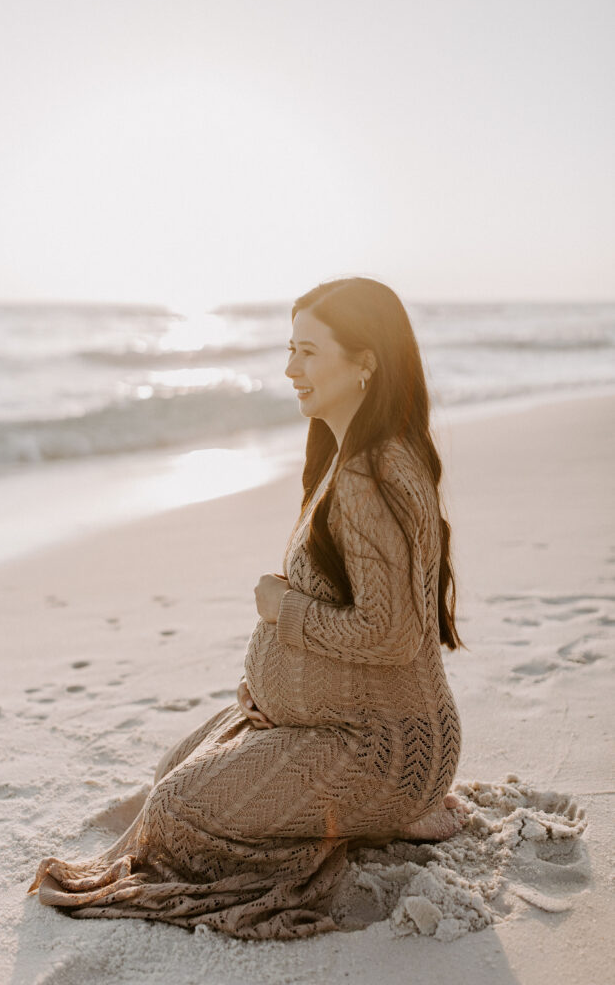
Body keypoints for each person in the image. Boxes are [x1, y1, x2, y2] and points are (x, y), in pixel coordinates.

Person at [27, 276, 465, 939]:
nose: (289, 369)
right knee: (176, 764)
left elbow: (390, 634)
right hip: (366, 732)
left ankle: (374, 816)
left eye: (309, 352)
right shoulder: (354, 456)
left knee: (175, 814)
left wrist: (281, 608)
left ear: (365, 361)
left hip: (377, 753)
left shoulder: (368, 477)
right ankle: (377, 812)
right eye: (289, 348)